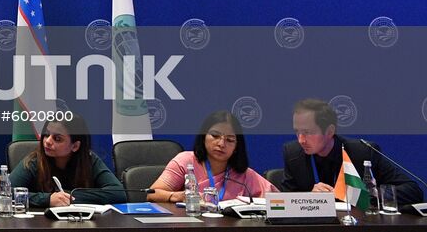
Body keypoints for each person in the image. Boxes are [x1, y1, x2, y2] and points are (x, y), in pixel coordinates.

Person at [282, 98, 422, 204]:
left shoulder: (363, 152)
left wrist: (364, 196)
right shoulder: (293, 153)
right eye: (297, 132)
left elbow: (413, 191)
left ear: (330, 131)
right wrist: (309, 198)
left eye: (308, 132)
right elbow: (286, 200)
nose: (301, 140)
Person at [0, 115, 122, 209]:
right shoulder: (34, 161)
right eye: (46, 135)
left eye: (57, 138)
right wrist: (48, 199)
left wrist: (69, 197)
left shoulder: (89, 160)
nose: (47, 141)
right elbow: (5, 194)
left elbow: (118, 193)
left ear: (75, 146)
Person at [149, 110, 277, 204]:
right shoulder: (186, 161)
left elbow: (278, 200)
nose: (221, 144)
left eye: (229, 140)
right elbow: (152, 194)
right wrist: (178, 196)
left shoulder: (245, 175)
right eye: (215, 136)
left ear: (236, 147)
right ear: (203, 137)